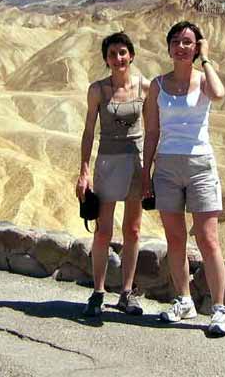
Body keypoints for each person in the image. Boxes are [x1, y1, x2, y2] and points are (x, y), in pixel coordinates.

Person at [141, 21, 225, 336]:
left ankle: (219, 310)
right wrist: (145, 172)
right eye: (176, 41)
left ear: (197, 47)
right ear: (168, 47)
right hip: (165, 167)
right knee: (175, 239)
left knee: (208, 239)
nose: (181, 47)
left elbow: (219, 95)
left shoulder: (204, 80)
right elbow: (152, 132)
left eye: (188, 42)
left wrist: (206, 59)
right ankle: (184, 300)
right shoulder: (158, 85)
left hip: (200, 165)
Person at [76, 32, 151, 317]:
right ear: (106, 60)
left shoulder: (144, 87)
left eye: (122, 52)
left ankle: (127, 293)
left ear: (131, 55)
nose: (118, 58)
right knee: (103, 230)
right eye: (112, 54)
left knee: (132, 229)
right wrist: (84, 169)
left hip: (136, 161)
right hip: (107, 162)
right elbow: (88, 131)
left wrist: (151, 168)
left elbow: (153, 128)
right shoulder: (97, 90)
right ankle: (98, 291)